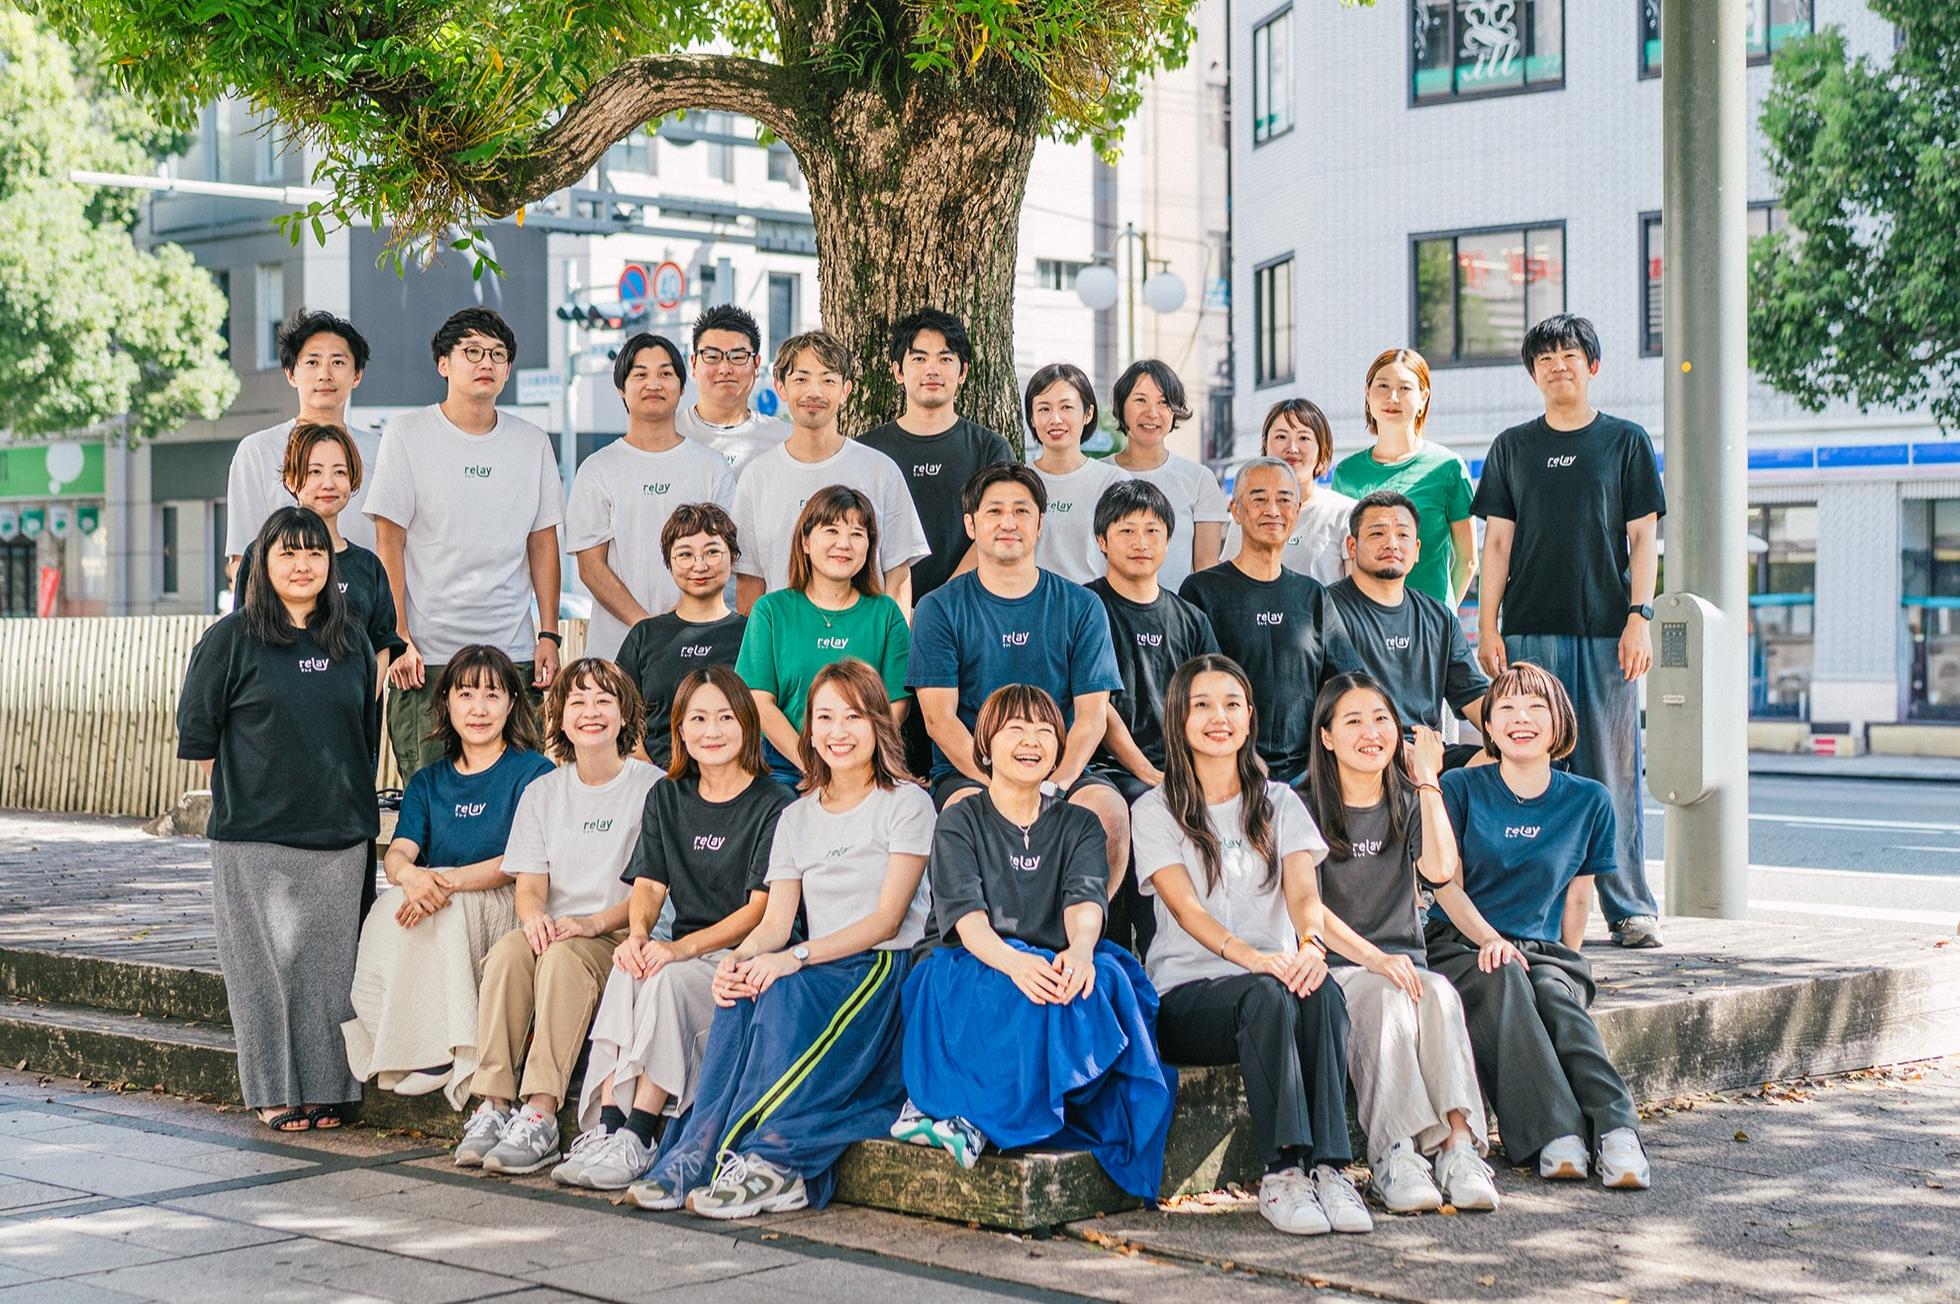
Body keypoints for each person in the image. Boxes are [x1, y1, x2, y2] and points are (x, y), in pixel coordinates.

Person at [623, 661, 934, 1218]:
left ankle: (771, 1161)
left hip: (878, 970)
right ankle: (698, 1153)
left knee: (784, 989)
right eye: (825, 718)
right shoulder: (797, 815)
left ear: (878, 724)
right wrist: (738, 960)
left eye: (853, 717)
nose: (838, 732)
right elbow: (773, 923)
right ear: (808, 730)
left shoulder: (906, 803)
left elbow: (887, 921)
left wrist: (795, 958)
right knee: (743, 991)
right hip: (817, 967)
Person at [895, 685, 1175, 1195]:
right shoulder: (960, 819)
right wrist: (1015, 963)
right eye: (1016, 730)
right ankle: (968, 1113)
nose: (1032, 741)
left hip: (1050, 954)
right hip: (967, 959)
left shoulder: (1079, 823)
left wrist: (1081, 950)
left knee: (1102, 981)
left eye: (1045, 731)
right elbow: (969, 923)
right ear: (986, 745)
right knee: (1019, 987)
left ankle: (995, 1113)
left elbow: (1084, 901)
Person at [1131, 656, 1370, 1236]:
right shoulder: (1154, 809)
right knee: (1267, 995)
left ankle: (1331, 1170)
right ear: (1179, 719)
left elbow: (1304, 894)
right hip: (1190, 996)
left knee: (1322, 993)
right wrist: (1256, 959)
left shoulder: (1280, 802)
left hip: (1275, 983)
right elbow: (1186, 911)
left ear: (1249, 717)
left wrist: (1310, 947)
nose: (1220, 717)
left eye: (1232, 704)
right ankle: (1283, 1174)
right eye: (1203, 705)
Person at [177, 507, 379, 1133]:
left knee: (330, 971)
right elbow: (200, 735)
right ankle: (272, 1090)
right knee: (262, 972)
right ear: (263, 562)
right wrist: (251, 793)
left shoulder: (352, 641)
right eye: (287, 552)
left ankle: (326, 1089)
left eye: (314, 552)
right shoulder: (231, 638)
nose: (302, 564)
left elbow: (364, 736)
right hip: (254, 836)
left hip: (340, 834)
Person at [556, 667, 796, 1191]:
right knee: (628, 968)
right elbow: (649, 884)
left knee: (665, 978)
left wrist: (680, 949)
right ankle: (607, 1127)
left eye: (725, 718)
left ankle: (640, 1134)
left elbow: (759, 909)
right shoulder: (667, 796)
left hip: (739, 957)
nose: (712, 731)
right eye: (699, 719)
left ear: (747, 724)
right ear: (680, 730)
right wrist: (639, 936)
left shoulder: (775, 803)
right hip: (681, 949)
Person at [1473, 314, 1666, 950]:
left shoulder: (1625, 442)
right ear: (1533, 373)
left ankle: (1630, 907)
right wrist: (1487, 624)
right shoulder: (1512, 447)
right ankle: (1539, 908)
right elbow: (1496, 543)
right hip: (1529, 631)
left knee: (1613, 771)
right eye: (1546, 359)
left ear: (1592, 366)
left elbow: (1643, 540)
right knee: (1530, 766)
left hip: (1608, 632)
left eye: (1570, 355)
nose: (1558, 366)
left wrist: (1640, 618)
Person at [1428, 662, 1651, 1190]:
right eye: (1505, 707)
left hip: (1542, 946)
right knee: (1504, 975)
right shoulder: (1460, 787)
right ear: (1489, 724)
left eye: (1535, 707)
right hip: (1461, 942)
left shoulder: (1589, 800)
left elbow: (1578, 897)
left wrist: (1566, 967)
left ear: (1559, 721)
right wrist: (1490, 940)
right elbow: (1446, 887)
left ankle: (1618, 1131)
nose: (1520, 718)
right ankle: (1557, 1134)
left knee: (1554, 994)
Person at [452, 659, 661, 1176]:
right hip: (559, 928)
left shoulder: (651, 787)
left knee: (564, 959)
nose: (591, 712)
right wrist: (533, 919)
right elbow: (529, 887)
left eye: (604, 701)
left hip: (620, 933)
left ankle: (541, 1113)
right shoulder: (543, 791)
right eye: (578, 702)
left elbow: (653, 892)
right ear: (560, 718)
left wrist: (591, 925)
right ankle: (493, 1104)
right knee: (507, 953)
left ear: (624, 714)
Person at [1301, 674, 1498, 1213]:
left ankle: (1458, 1147)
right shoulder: (1301, 804)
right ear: (1326, 737)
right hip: (1336, 967)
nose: (1371, 732)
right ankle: (1395, 1153)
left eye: (1381, 719)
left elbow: (1439, 870)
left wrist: (1429, 780)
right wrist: (1374, 959)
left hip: (1403, 965)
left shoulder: (1409, 799)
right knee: (1387, 997)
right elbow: (1305, 907)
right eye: (1353, 721)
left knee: (1440, 994)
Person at [341, 647, 555, 1107]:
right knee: (388, 907)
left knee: (446, 910)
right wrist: (409, 877)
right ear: (446, 704)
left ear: (512, 704)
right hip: (439, 897)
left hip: (506, 901)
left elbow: (522, 860)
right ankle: (405, 1041)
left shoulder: (534, 772)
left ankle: (448, 1050)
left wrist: (444, 881)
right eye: (466, 694)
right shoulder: (427, 780)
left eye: (492, 695)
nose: (479, 709)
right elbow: (400, 851)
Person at [908, 464, 1131, 895]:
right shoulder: (939, 608)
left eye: (1021, 511)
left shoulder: (1082, 606)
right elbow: (939, 720)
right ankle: (983, 933)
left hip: (1060, 768)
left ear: (1040, 523)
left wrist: (1052, 786)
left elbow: (1091, 717)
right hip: (973, 772)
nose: (1008, 522)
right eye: (994, 511)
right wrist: (1002, 788)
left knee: (1109, 816)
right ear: (971, 524)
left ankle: (1081, 928)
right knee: (964, 818)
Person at [365, 307, 565, 782]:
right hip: (427, 655)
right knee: (432, 793)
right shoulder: (407, 434)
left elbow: (542, 542)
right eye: (472, 352)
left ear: (508, 369)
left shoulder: (532, 441)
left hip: (513, 650)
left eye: (497, 354)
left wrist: (549, 634)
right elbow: (389, 541)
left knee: (518, 795)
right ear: (443, 363)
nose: (486, 363)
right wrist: (399, 635)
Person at [1086, 478, 1219, 952]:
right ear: (1102, 540)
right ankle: (1114, 957)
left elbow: (1211, 698)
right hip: (1104, 769)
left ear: (1168, 540)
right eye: (1126, 531)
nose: (1140, 542)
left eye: (1152, 531)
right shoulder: (1085, 607)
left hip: (1177, 768)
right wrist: (1148, 772)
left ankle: (1174, 958)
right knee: (1140, 807)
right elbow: (1094, 705)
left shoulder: (1190, 619)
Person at [1179, 458, 1359, 784]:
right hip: (1226, 771)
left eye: (1284, 500)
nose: (1273, 510)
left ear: (1298, 510)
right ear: (1235, 510)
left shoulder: (1312, 596)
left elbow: (1347, 683)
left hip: (1307, 776)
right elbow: (1189, 690)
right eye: (1259, 499)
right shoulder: (1201, 591)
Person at [566, 333, 737, 660]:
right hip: (617, 654)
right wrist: (648, 629)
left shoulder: (711, 467)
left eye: (665, 373)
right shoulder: (598, 469)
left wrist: (677, 625)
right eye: (640, 374)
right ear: (621, 388)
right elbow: (591, 568)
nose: (653, 384)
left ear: (682, 386)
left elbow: (724, 555)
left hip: (699, 648)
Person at [730, 331, 930, 611]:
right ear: (781, 387)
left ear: (845, 390)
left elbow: (897, 575)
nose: (814, 392)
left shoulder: (880, 470)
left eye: (828, 380)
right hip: (784, 636)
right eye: (801, 379)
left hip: (864, 636)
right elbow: (750, 581)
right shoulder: (757, 477)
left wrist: (895, 637)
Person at [737, 487, 912, 787]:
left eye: (857, 534)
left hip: (865, 762)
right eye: (832, 530)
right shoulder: (771, 610)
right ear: (805, 542)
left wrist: (852, 761)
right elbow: (758, 702)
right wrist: (811, 765)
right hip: (785, 766)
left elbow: (897, 703)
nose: (844, 544)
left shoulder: (885, 613)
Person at [860, 308, 1015, 603]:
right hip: (882, 610)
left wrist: (938, 606)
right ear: (898, 371)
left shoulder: (990, 449)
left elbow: (998, 530)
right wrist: (892, 608)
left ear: (963, 372)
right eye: (919, 359)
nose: (932, 370)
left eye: (945, 359)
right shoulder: (866, 451)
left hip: (967, 608)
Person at [237, 422, 403, 694]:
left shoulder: (367, 566)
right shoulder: (261, 556)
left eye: (340, 472)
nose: (328, 483)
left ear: (353, 481)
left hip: (349, 716)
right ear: (291, 479)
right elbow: (245, 637)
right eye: (315, 471)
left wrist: (359, 704)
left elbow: (381, 645)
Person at [1327, 492, 1488, 761]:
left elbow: (1474, 697)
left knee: (1506, 763)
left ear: (1416, 550)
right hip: (1359, 750)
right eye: (1377, 533)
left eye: (1402, 535)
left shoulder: (1438, 617)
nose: (1392, 543)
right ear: (1352, 546)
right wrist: (1397, 748)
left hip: (1428, 753)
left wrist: (1514, 736)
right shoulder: (1326, 609)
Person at [223, 309, 380, 576]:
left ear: (357, 375)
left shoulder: (382, 451)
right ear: (291, 374)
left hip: (364, 599)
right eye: (312, 362)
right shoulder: (257, 452)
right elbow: (244, 557)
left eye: (338, 362)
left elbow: (392, 547)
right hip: (283, 601)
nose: (324, 374)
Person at [1330, 348, 1477, 608]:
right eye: (1383, 386)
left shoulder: (1447, 467)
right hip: (1366, 622)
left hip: (1430, 626)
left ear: (1423, 397)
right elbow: (1343, 558)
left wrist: (1442, 615)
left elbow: (1467, 560)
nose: (1393, 397)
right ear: (1367, 394)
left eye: (1405, 388)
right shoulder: (1346, 474)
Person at [615, 504, 748, 769]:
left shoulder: (752, 634)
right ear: (669, 562)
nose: (699, 565)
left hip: (735, 777)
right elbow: (620, 712)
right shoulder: (645, 635)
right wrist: (652, 776)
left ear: (732, 558)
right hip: (655, 777)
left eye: (712, 552)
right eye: (685, 554)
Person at [1110, 359, 1229, 591]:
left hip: (1178, 610)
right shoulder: (1100, 475)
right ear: (1122, 406)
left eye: (1163, 402)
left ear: (1174, 411)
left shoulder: (1199, 480)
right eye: (1140, 400)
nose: (1152, 413)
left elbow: (1205, 569)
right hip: (1108, 609)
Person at [1221, 400, 1356, 584]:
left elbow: (1354, 592)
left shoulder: (1345, 512)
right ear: (1265, 444)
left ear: (1321, 447)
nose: (1292, 448)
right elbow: (1228, 581)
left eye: (1304, 438)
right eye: (1281, 437)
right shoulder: (1248, 512)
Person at [1025, 362, 1130, 584]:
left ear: (1088, 413)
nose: (1055, 419)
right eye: (1044, 409)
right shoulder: (1018, 481)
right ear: (1032, 418)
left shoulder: (1113, 482)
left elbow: (1126, 559)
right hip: (1028, 602)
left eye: (1066, 407)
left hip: (1093, 602)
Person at [675, 305, 789, 476]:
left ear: (756, 365)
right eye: (712, 357)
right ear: (693, 363)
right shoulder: (667, 433)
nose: (725, 369)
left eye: (738, 357)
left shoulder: (784, 440)